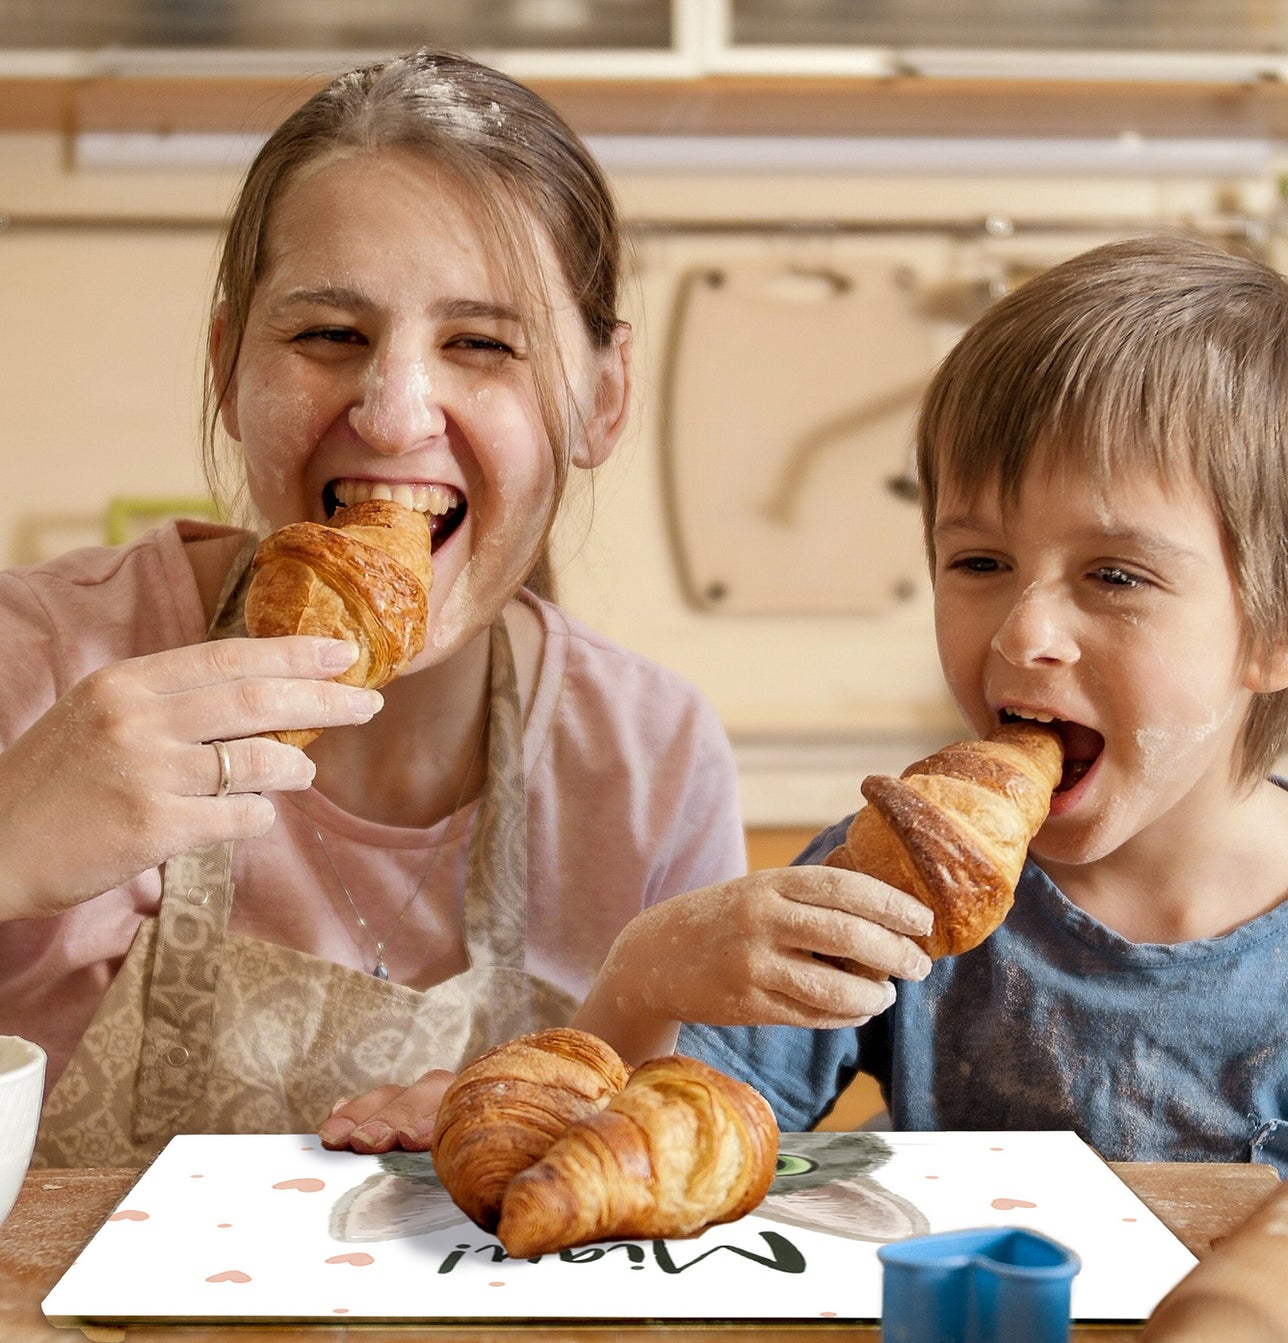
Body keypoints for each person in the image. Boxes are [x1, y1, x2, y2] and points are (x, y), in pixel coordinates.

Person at [3, 48, 750, 1169]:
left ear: (601, 398)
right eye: (326, 335)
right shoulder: (42, 662)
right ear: (226, 366)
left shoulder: (647, 759)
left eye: (482, 344)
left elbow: (697, 1170)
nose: (397, 413)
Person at [593, 233, 1288, 1190]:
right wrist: (643, 977)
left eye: (1115, 574)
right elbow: (661, 1153)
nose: (1022, 632)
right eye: (979, 564)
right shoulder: (891, 880)